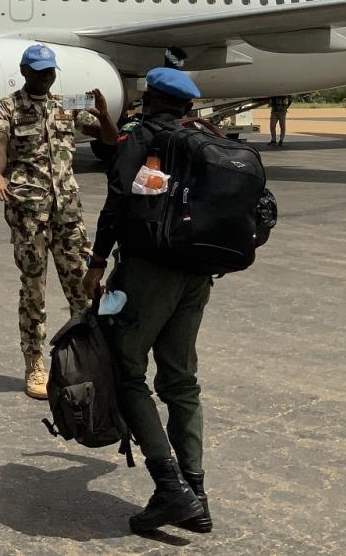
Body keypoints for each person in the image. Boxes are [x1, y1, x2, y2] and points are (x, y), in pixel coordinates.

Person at [85, 67, 211, 535]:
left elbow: (119, 199)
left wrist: (98, 261)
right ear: (188, 106)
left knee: (127, 371)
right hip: (197, 273)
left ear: (149, 98)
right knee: (180, 381)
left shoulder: (141, 136)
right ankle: (196, 494)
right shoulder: (204, 139)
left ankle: (171, 490)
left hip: (150, 271)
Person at [0, 44, 118, 400]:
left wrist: (104, 115)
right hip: (29, 212)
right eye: (39, 71)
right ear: (24, 72)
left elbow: (109, 139)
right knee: (34, 289)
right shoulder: (7, 106)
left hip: (68, 212)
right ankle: (34, 364)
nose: (46, 77)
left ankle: (88, 360)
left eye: (50, 71)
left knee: (84, 287)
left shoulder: (68, 104)